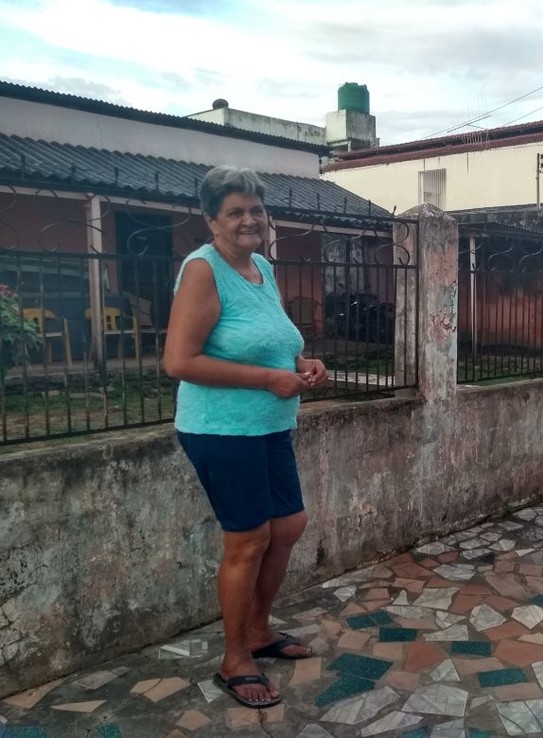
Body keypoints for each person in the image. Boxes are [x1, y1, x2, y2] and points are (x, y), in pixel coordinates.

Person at [163, 166, 327, 709]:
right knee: (248, 539)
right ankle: (235, 658)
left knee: (289, 525)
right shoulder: (203, 271)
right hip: (221, 429)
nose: (249, 220)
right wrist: (268, 378)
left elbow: (268, 339)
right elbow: (179, 361)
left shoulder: (260, 266)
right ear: (211, 220)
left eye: (256, 209)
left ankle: (259, 631)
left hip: (270, 423)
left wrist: (302, 363)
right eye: (235, 211)